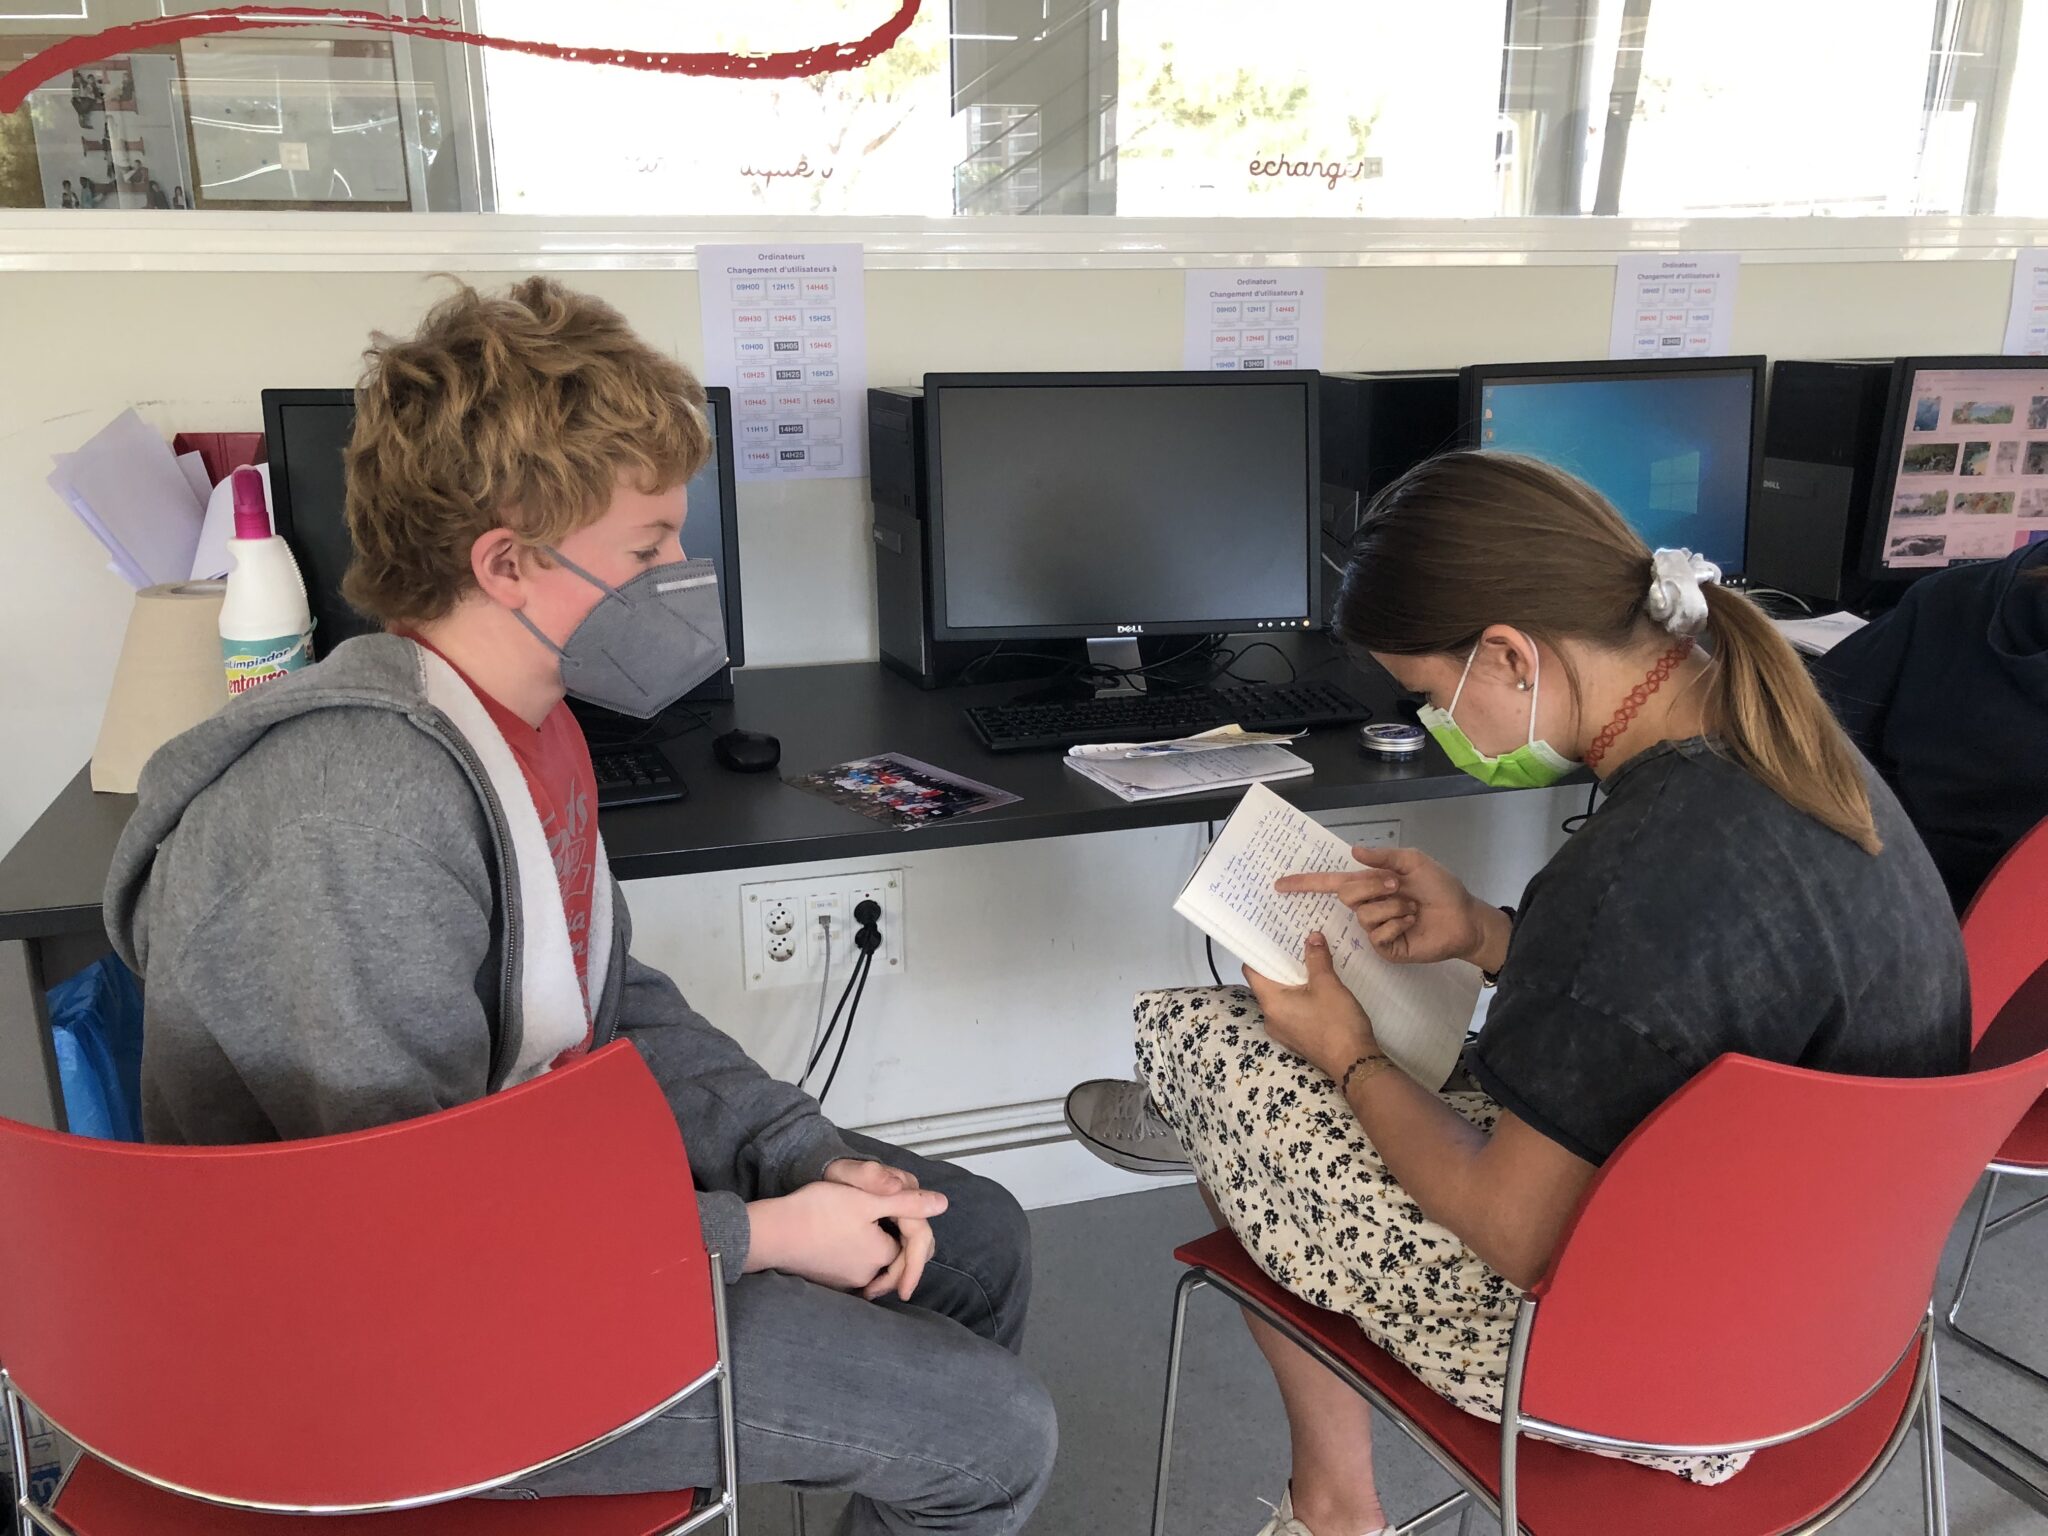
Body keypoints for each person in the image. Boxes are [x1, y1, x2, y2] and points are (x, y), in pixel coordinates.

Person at [105, 277, 1056, 1534]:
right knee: (992, 1435)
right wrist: (763, 1235)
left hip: (512, 1219)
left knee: (972, 1235)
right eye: (649, 547)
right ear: (507, 564)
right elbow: (405, 1236)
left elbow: (606, 1004)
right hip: (372, 1345)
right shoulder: (350, 816)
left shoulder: (520, 725)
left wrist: (795, 1149)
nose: (683, 574)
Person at [1068, 451, 1966, 1536]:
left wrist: (1347, 1051)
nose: (1437, 724)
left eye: (1427, 696)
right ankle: (1228, 1147)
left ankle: (1332, 1500)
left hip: (1638, 1373)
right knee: (1287, 1072)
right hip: (1834, 1332)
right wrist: (1491, 937)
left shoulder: (1632, 872)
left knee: (1208, 1037)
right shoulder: (1790, 742)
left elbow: (1515, 1232)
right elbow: (1694, 989)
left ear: (1505, 654)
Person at [1814, 538, 2048, 913]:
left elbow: (1790, 736)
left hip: (1878, 905)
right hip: (1919, 914)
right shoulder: (1951, 602)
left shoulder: (1956, 600)